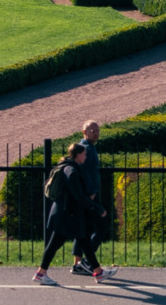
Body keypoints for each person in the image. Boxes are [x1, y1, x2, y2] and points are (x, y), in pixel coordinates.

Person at [33, 146, 92, 284]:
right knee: (56, 244)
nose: (86, 157)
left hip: (64, 213)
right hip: (65, 214)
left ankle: (98, 271)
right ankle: (41, 274)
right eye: (84, 154)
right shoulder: (71, 169)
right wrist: (93, 206)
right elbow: (76, 193)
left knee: (82, 240)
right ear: (77, 155)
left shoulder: (68, 166)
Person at [70, 120, 111, 278]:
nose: (96, 132)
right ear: (84, 132)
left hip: (88, 195)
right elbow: (86, 174)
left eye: (97, 130)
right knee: (101, 227)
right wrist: (91, 192)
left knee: (84, 229)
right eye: (92, 130)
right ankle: (86, 262)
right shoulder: (87, 149)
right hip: (91, 196)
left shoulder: (87, 147)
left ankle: (77, 264)